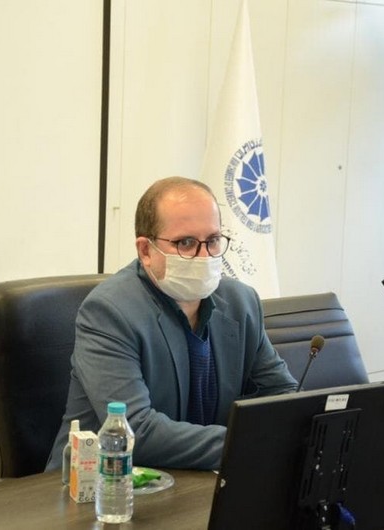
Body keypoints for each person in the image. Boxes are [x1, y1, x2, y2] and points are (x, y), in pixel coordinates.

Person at [45, 176, 298, 471]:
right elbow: (137, 432)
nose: (204, 256)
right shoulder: (108, 312)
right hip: (102, 484)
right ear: (146, 250)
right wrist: (248, 443)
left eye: (213, 240)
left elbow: (282, 395)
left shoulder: (242, 303)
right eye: (186, 243)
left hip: (202, 479)